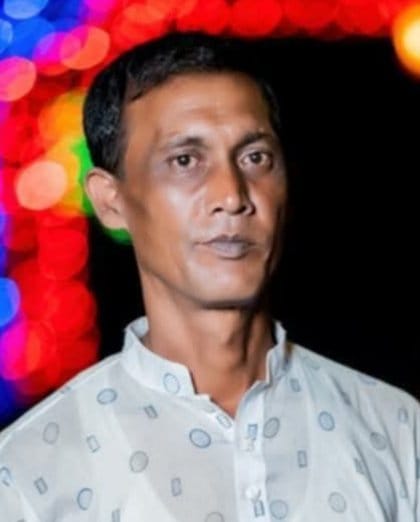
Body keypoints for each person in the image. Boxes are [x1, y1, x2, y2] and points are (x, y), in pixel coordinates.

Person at [0, 32, 419, 521]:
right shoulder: (29, 473)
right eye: (185, 161)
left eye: (255, 158)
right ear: (112, 202)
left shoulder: (395, 431)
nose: (232, 195)